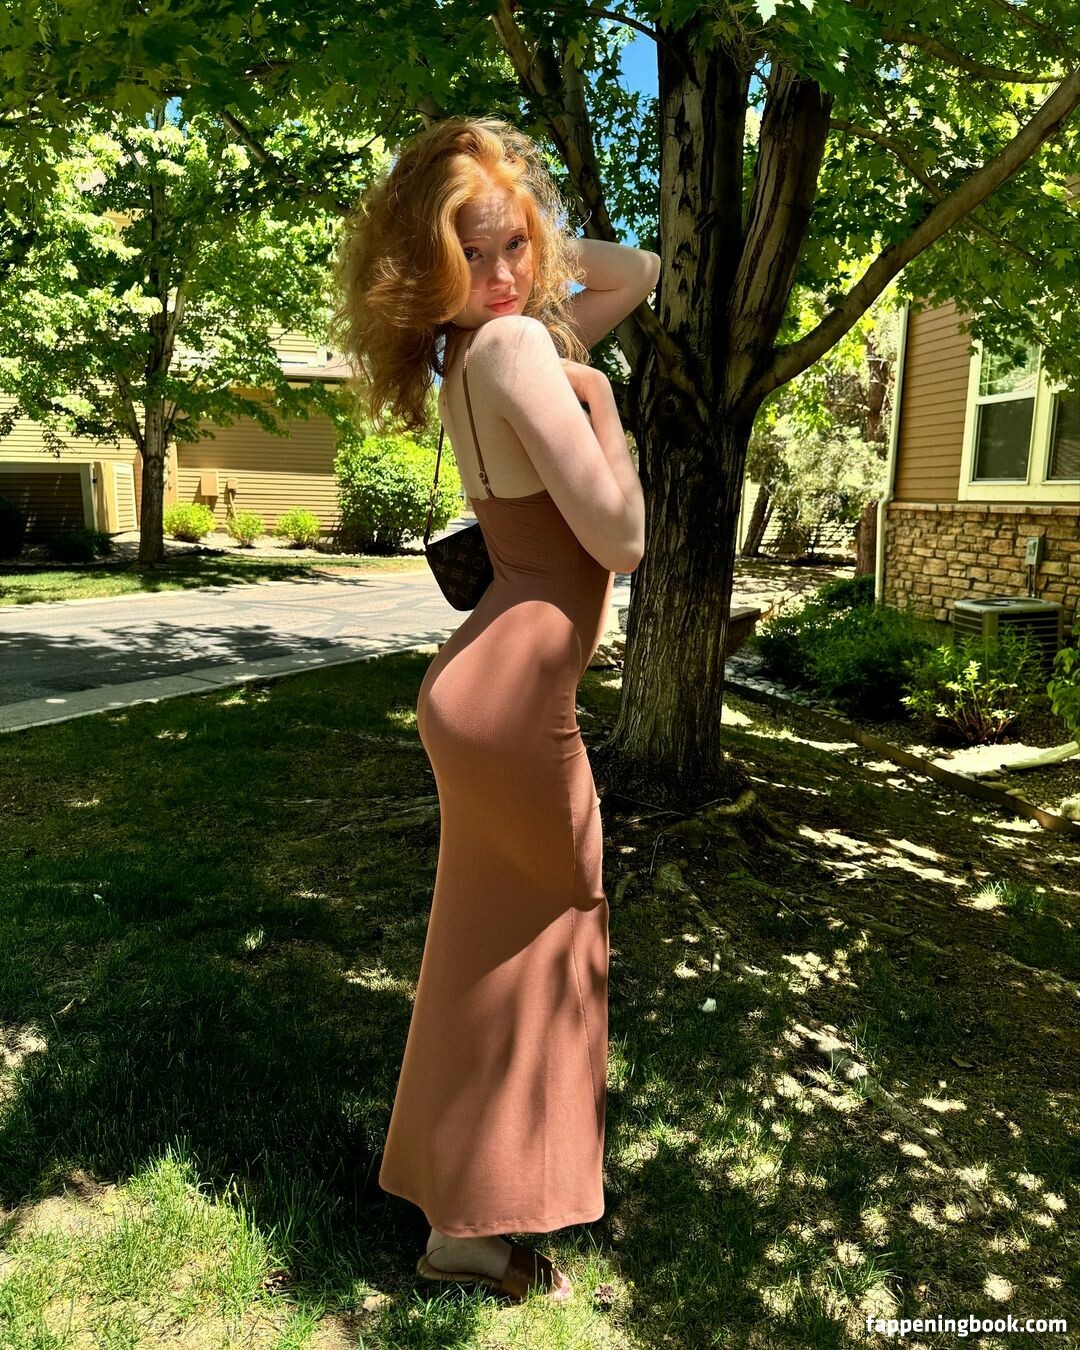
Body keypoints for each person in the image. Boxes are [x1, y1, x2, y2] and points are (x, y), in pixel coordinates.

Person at [330, 115, 656, 1303]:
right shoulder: (517, 350)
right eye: (471, 253)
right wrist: (606, 410)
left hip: (485, 684)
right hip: (516, 703)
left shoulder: (479, 348)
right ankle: (474, 1226)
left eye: (517, 244)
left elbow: (637, 273)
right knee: (554, 939)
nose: (507, 273)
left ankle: (455, 1207)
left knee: (483, 950)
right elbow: (620, 541)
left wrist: (528, 226)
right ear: (429, 263)